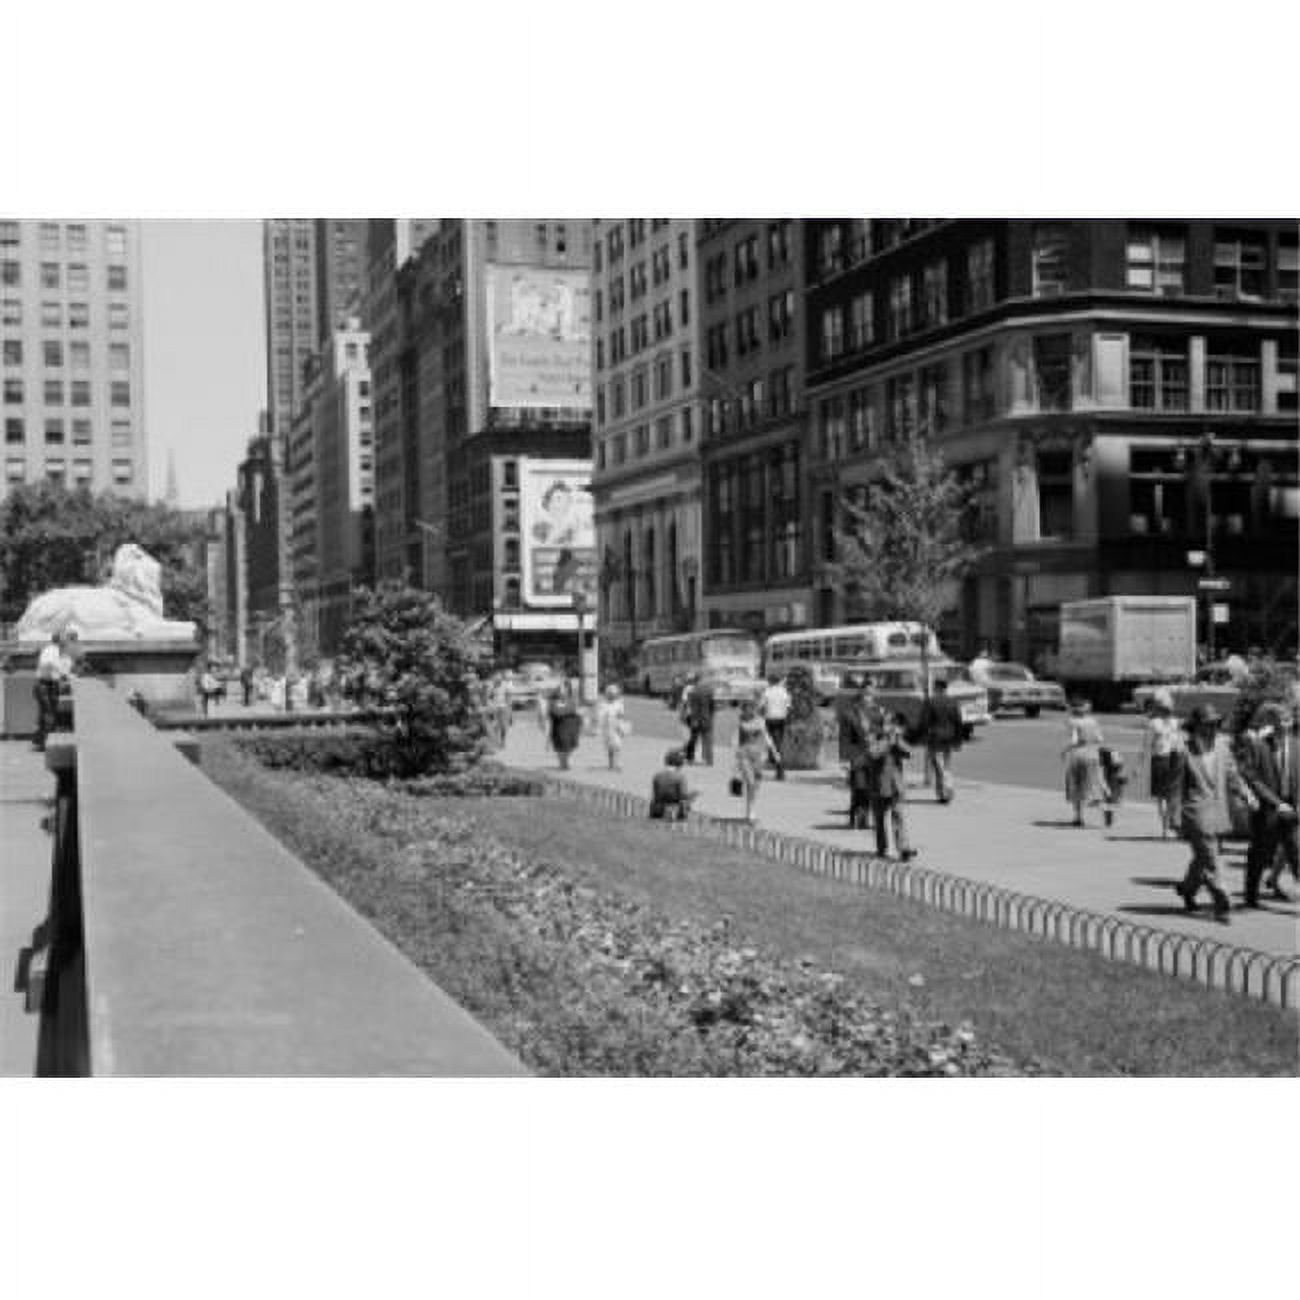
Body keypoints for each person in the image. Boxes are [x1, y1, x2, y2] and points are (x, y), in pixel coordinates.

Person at [1167, 705, 1257, 920]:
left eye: (1214, 724)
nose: (1211, 728)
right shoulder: (1183, 751)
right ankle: (1221, 900)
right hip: (1195, 812)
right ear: (1195, 727)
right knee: (1210, 857)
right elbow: (1175, 788)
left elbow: (1232, 775)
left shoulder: (1222, 747)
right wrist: (1174, 818)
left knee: (1202, 857)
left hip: (1217, 811)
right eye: (1206, 724)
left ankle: (1188, 889)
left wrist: (1247, 794)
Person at [1238, 701, 1298, 906]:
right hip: (1269, 809)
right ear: (1272, 722)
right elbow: (1251, 776)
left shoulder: (1298, 746)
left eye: (1287, 720)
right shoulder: (1260, 745)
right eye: (1279, 720)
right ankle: (1251, 895)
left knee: (1296, 850)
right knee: (1260, 853)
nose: (1284, 724)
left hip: (1293, 810)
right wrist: (1275, 803)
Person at [861, 705, 916, 860]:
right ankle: (881, 848)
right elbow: (873, 754)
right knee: (879, 821)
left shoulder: (895, 737)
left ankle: (903, 848)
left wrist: (897, 741)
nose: (891, 725)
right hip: (878, 786)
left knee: (898, 815)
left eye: (892, 722)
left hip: (895, 785)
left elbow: (909, 753)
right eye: (888, 722)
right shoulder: (872, 736)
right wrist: (888, 741)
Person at [1140, 688, 1184, 837]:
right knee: (1172, 795)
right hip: (1175, 758)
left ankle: (1166, 828)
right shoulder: (1175, 722)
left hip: (1161, 759)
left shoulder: (1153, 724)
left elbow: (1147, 746)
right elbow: (1179, 742)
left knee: (1162, 796)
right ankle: (1171, 825)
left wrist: (1139, 766)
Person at [732, 697, 780, 823]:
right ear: (744, 709)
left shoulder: (760, 720)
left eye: (752, 708)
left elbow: (767, 737)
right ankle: (750, 811)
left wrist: (774, 752)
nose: (750, 711)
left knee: (756, 785)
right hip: (744, 754)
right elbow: (735, 738)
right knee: (750, 783)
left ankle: (751, 808)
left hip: (759, 755)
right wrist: (735, 757)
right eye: (746, 708)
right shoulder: (740, 720)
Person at [1061, 698, 1107, 828]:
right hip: (1093, 754)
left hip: (1077, 755)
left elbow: (1074, 740)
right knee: (1093, 783)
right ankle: (1105, 811)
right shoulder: (1093, 721)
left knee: (1076, 785)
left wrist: (1064, 750)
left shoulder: (1072, 722)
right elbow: (1100, 738)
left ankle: (1078, 817)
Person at [916, 677, 963, 803]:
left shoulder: (930, 702)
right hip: (949, 738)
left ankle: (945, 791)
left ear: (936, 687)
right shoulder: (953, 702)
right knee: (945, 765)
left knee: (939, 767)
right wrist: (958, 740)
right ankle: (944, 792)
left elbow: (924, 722)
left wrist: (920, 737)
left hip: (935, 738)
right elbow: (958, 721)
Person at [840, 685, 877, 830]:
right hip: (857, 757)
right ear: (861, 696)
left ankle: (865, 818)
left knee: (870, 789)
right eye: (866, 695)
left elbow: (882, 733)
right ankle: (855, 816)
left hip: (874, 756)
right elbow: (844, 738)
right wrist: (845, 760)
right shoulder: (849, 714)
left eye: (871, 695)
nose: (869, 698)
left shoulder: (877, 713)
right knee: (858, 787)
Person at [32, 629, 74, 751]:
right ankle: (45, 743)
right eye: (66, 639)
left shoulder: (61, 652)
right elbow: (48, 665)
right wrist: (63, 673)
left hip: (50, 685)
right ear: (60, 640)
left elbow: (66, 666)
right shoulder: (51, 650)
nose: (67, 641)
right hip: (45, 685)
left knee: (47, 714)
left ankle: (41, 742)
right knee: (48, 714)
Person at [649, 749, 697, 821]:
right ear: (680, 763)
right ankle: (677, 814)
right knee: (690, 797)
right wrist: (692, 795)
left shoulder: (657, 775)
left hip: (658, 808)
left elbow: (656, 795)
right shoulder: (680, 777)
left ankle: (659, 812)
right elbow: (682, 795)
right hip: (674, 807)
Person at [759, 673, 791, 780]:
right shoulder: (784, 692)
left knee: (773, 745)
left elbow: (762, 706)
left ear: (771, 681)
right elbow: (789, 706)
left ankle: (778, 767)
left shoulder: (767, 692)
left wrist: (761, 715)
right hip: (782, 719)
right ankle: (774, 761)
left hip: (770, 719)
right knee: (778, 743)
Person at [547, 680, 582, 771]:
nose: (562, 691)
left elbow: (577, 711)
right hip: (559, 727)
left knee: (570, 746)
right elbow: (555, 712)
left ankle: (565, 762)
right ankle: (563, 763)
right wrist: (569, 711)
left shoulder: (572, 700)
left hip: (572, 727)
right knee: (561, 746)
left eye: (564, 689)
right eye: (560, 689)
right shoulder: (553, 702)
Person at [682, 672, 716, 766]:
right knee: (707, 739)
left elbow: (692, 707)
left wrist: (692, 719)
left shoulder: (693, 691)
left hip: (696, 719)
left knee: (694, 738)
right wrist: (711, 715)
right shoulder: (710, 690)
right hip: (707, 718)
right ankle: (708, 759)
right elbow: (713, 706)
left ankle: (690, 757)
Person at [595, 683, 630, 771]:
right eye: (610, 694)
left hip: (617, 727)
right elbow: (600, 716)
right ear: (607, 694)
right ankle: (611, 764)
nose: (612, 696)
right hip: (608, 728)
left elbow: (622, 715)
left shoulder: (619, 704)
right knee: (610, 747)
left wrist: (620, 718)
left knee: (617, 746)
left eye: (614, 694)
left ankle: (616, 763)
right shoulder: (603, 704)